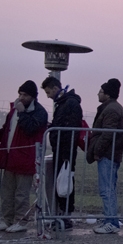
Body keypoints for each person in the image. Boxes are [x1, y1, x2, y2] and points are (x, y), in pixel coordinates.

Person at [0, 81, 48, 233]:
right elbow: (6, 130)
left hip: (26, 158)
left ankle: (21, 221)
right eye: (20, 94)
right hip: (10, 157)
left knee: (21, 193)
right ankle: (7, 220)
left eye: (25, 95)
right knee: (7, 192)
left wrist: (22, 112)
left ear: (33, 96)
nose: (21, 97)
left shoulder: (39, 112)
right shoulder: (13, 111)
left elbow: (31, 129)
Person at [41, 76, 83, 229]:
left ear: (54, 88)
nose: (48, 96)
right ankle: (62, 215)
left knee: (65, 182)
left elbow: (70, 128)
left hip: (66, 151)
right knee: (62, 181)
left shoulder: (69, 103)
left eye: (48, 92)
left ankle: (65, 216)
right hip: (61, 149)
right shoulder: (64, 103)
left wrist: (57, 136)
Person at [86, 78, 123, 235]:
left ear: (107, 94)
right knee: (109, 188)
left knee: (107, 189)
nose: (98, 94)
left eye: (100, 91)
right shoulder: (114, 108)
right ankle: (110, 220)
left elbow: (107, 134)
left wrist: (97, 150)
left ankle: (111, 222)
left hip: (108, 154)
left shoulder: (111, 109)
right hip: (111, 153)